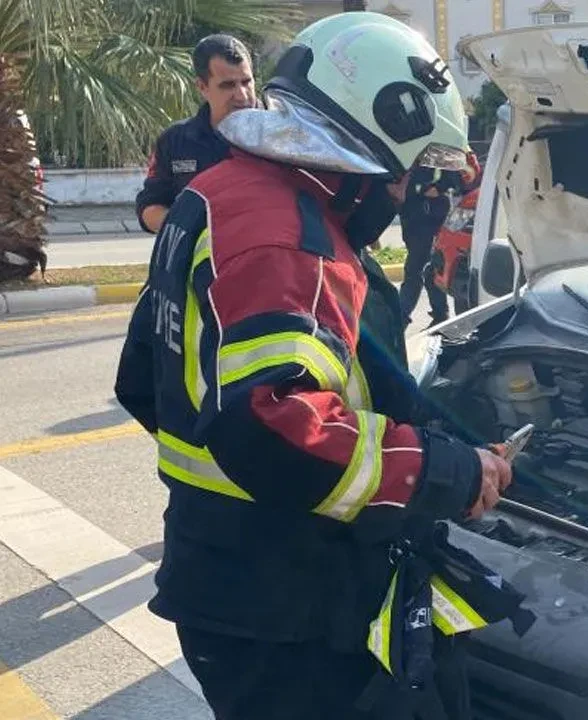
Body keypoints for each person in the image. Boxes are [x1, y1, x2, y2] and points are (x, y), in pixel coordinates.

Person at [113, 12, 514, 719]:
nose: (405, 192)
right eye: (408, 171)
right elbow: (272, 427)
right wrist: (443, 471)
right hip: (283, 601)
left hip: (219, 574)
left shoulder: (219, 193)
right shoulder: (290, 241)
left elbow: (140, 378)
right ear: (373, 137)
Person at [135, 34, 257, 234]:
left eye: (246, 82)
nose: (242, 95)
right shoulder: (175, 141)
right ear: (202, 87)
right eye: (228, 85)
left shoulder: (283, 135)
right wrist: (188, 228)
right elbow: (150, 205)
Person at [398, 153, 481, 326]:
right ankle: (440, 314)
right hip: (411, 215)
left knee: (415, 269)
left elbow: (461, 174)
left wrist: (439, 187)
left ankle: (399, 319)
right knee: (430, 269)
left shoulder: (438, 148)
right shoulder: (408, 149)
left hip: (431, 216)